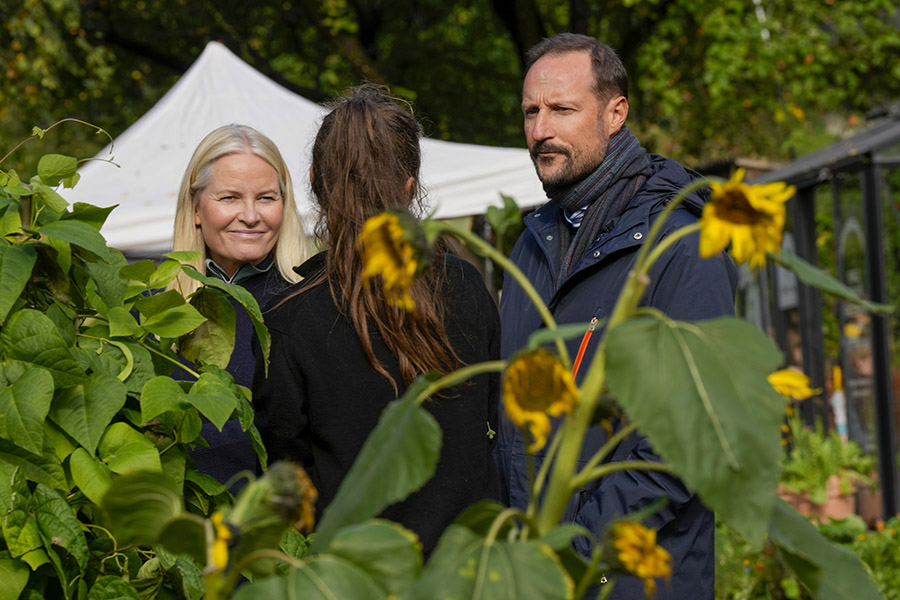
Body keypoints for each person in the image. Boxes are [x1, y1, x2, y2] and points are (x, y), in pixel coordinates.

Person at [495, 34, 738, 599]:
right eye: (531, 111)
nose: (539, 131)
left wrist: (579, 556)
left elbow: (683, 438)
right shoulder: (530, 246)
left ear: (615, 113)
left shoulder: (681, 242)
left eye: (562, 110)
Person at [252, 87, 501, 556]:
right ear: (410, 186)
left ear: (314, 183)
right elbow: (491, 423)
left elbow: (285, 472)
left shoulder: (289, 316)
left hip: (355, 573)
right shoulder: (467, 286)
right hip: (473, 571)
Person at [171, 124, 308, 489]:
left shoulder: (310, 304)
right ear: (196, 208)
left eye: (266, 198)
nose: (250, 215)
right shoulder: (154, 305)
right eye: (229, 197)